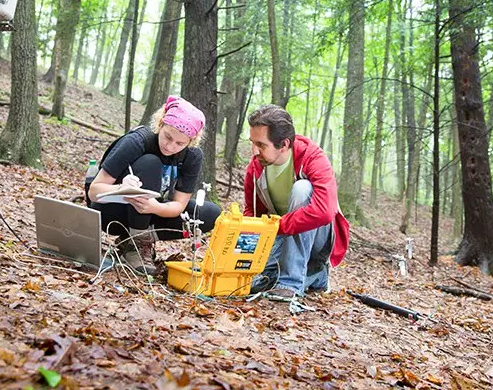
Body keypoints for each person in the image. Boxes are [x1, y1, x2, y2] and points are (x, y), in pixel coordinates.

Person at [88, 95, 221, 275]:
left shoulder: (192, 156)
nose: (170, 146)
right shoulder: (137, 142)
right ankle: (136, 245)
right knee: (150, 163)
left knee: (210, 214)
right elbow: (94, 192)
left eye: (180, 143)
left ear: (191, 141)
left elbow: (178, 205)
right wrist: (121, 188)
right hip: (113, 211)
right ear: (160, 124)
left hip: (151, 211)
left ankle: (134, 240)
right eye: (167, 137)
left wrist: (156, 207)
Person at [244, 104, 350, 299]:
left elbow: (324, 211)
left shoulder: (312, 156)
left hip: (317, 237)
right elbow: (252, 214)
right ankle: (315, 275)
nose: (254, 151)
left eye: (261, 145)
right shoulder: (256, 166)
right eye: (252, 142)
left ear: (283, 144)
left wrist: (278, 226)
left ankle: (290, 284)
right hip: (281, 234)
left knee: (303, 189)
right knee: (258, 280)